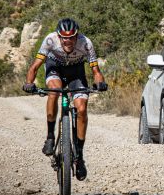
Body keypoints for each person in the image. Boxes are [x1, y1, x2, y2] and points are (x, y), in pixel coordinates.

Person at [23, 18, 107, 181]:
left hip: (76, 73)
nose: (68, 41)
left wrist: (100, 83)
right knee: (54, 91)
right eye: (64, 37)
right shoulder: (50, 40)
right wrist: (28, 83)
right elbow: (34, 67)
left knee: (82, 109)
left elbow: (96, 70)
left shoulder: (85, 43)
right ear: (59, 36)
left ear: (77, 35)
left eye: (71, 37)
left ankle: (79, 157)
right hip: (55, 69)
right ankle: (50, 137)